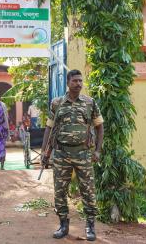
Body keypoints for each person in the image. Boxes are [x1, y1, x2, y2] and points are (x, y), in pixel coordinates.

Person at [41, 69, 104, 241]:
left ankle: (90, 226)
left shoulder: (90, 103)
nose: (79, 84)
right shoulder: (57, 103)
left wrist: (97, 150)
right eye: (75, 81)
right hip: (61, 154)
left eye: (80, 81)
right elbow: (49, 127)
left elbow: (99, 127)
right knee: (60, 191)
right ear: (68, 83)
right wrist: (44, 151)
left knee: (88, 191)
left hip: (83, 153)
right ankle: (63, 224)